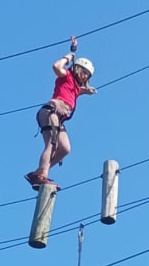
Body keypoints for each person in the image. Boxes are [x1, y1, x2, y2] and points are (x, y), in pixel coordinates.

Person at [26, 36, 97, 188]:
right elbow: (56, 66)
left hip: (60, 117)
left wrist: (87, 91)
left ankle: (38, 171)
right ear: (77, 68)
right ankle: (42, 174)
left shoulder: (76, 87)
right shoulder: (66, 76)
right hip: (51, 111)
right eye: (84, 72)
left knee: (65, 148)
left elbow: (77, 92)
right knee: (52, 143)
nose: (84, 77)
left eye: (87, 76)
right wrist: (69, 56)